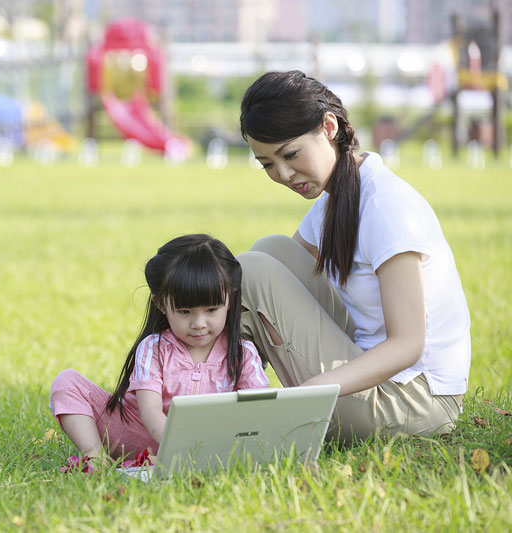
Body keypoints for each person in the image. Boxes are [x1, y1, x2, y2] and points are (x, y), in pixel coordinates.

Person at [237, 70, 470, 444]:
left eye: (290, 154)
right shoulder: (337, 197)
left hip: (418, 403)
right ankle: (189, 391)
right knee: (269, 252)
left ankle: (215, 415)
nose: (282, 174)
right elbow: (278, 274)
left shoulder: (386, 205)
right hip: (375, 376)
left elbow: (408, 345)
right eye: (267, 164)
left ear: (329, 126)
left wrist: (309, 391)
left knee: (252, 270)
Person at [49, 234, 269, 466]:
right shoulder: (154, 348)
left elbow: (257, 409)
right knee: (67, 382)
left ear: (230, 300)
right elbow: (150, 410)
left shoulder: (243, 353)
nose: (199, 323)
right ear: (161, 304)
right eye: (184, 312)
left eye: (212, 309)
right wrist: (181, 450)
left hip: (210, 445)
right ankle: (95, 457)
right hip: (136, 433)